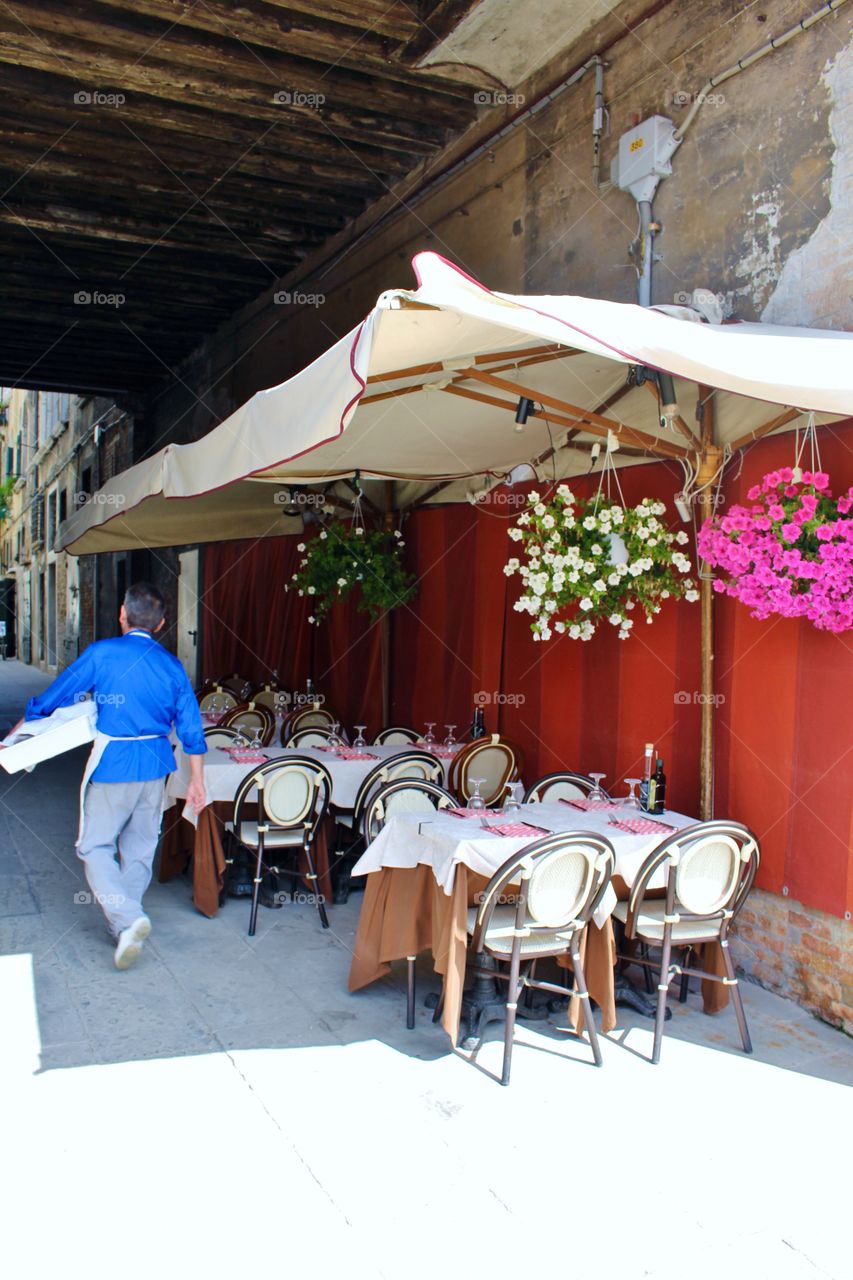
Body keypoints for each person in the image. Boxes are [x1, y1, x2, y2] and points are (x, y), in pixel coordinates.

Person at [6, 582, 207, 969]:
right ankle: (125, 924)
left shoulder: (102, 654)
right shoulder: (172, 665)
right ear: (162, 623)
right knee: (140, 846)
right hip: (156, 767)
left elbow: (57, 697)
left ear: (121, 614)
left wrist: (19, 732)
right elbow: (191, 729)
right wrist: (196, 780)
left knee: (94, 846)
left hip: (114, 763)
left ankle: (128, 919)